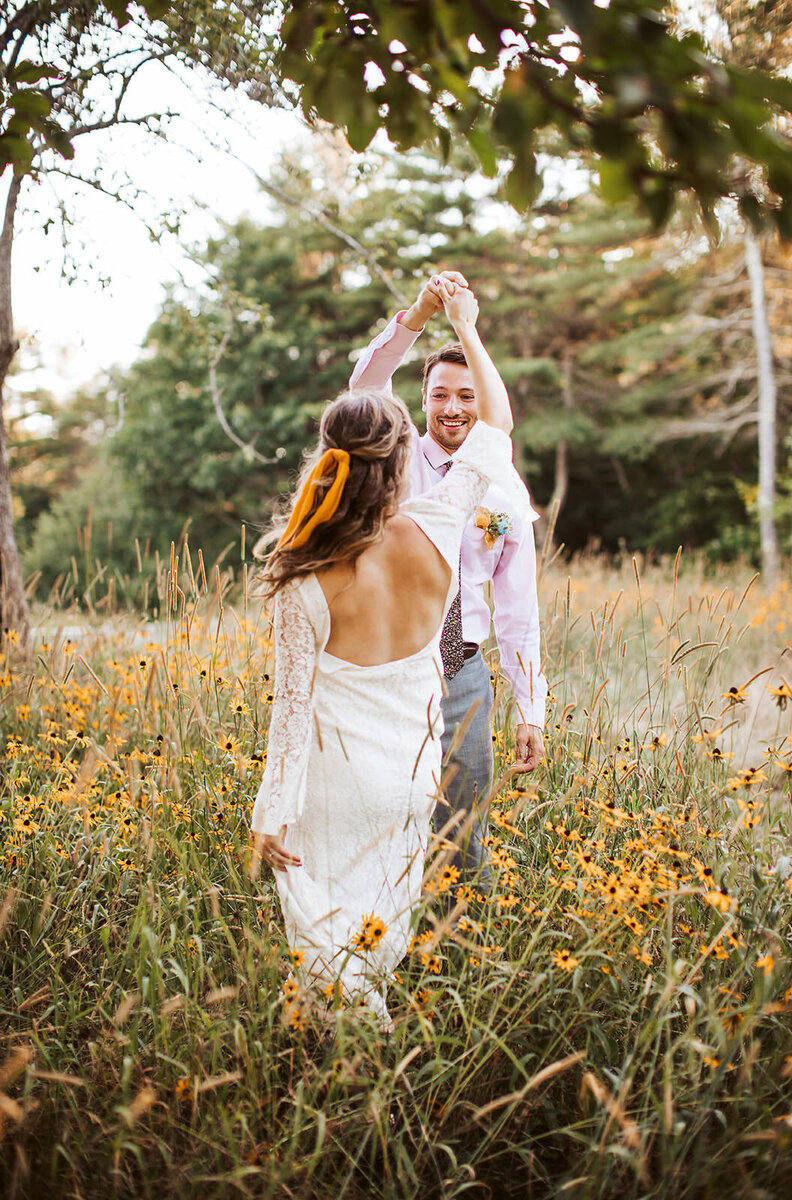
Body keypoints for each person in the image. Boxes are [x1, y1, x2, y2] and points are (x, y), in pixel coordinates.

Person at [249, 284, 525, 1024]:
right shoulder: (438, 529)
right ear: (404, 458)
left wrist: (271, 809)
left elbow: (293, 706)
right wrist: (465, 326)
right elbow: (496, 424)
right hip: (409, 781)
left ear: (330, 459)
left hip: (332, 790)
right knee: (379, 934)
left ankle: (346, 1071)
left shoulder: (303, 571)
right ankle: (377, 1068)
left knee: (329, 954)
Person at [349, 272, 547, 888]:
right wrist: (419, 313)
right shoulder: (396, 456)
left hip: (463, 671)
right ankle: (384, 935)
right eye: (440, 395)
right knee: (385, 813)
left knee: (462, 830)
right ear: (424, 399)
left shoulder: (505, 490)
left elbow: (518, 609)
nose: (453, 408)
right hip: (393, 664)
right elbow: (365, 384)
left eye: (467, 395)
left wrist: (530, 707)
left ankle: (462, 952)